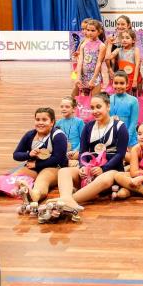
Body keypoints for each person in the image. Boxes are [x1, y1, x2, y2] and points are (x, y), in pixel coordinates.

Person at [41, 94, 128, 222]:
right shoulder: (88, 126)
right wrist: (82, 167)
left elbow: (120, 154)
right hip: (89, 170)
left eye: (99, 107)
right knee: (64, 171)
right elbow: (82, 151)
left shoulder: (120, 126)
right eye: (92, 108)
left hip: (111, 169)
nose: (95, 111)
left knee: (105, 179)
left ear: (108, 106)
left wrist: (103, 168)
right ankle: (66, 199)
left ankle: (65, 202)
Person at [75, 19, 107, 97]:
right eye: (88, 30)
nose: (90, 33)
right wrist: (78, 77)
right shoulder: (83, 44)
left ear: (99, 31)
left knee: (95, 100)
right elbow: (80, 62)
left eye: (93, 30)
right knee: (83, 101)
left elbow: (99, 63)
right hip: (83, 76)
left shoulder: (101, 46)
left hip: (95, 77)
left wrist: (93, 80)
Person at [109, 71, 140, 148]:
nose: (118, 86)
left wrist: (126, 140)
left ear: (127, 84)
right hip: (112, 138)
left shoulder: (133, 100)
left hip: (129, 139)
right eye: (116, 83)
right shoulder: (108, 99)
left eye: (122, 83)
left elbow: (133, 123)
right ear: (112, 83)